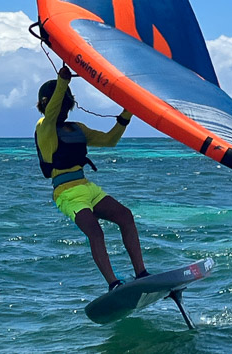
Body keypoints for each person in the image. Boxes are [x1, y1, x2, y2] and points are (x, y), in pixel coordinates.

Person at [34, 66, 149, 292]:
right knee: (95, 231)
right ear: (47, 103)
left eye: (67, 105)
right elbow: (52, 112)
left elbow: (109, 140)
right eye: (61, 104)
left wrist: (127, 113)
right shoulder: (43, 127)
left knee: (125, 216)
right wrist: (63, 82)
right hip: (66, 194)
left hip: (87, 187)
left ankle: (141, 273)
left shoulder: (77, 128)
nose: (64, 109)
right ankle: (114, 284)